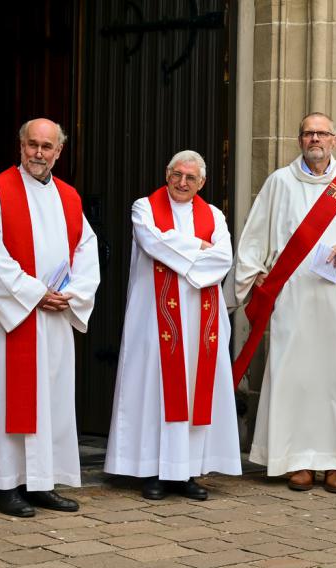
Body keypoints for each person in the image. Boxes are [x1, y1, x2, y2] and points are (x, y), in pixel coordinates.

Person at [232, 113, 336, 494]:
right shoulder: (279, 182)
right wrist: (255, 272)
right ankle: (297, 461)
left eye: (322, 133)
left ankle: (335, 463)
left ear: (334, 139)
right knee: (297, 379)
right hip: (294, 296)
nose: (315, 139)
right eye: (308, 133)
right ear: (299, 140)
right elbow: (254, 232)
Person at [0, 118, 100, 518]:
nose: (39, 153)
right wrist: (34, 293)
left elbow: (86, 252)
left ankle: (41, 481)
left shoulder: (70, 198)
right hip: (11, 318)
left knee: (50, 401)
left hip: (54, 318)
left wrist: (73, 294)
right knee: (7, 397)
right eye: (32, 145)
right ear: (20, 146)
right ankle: (5, 483)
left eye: (47, 146)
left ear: (59, 152)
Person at [104, 151, 241, 501]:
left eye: (190, 178)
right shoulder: (144, 208)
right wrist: (198, 247)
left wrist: (183, 255)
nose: (182, 183)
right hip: (155, 318)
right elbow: (152, 242)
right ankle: (153, 470)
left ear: (202, 182)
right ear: (167, 174)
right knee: (154, 390)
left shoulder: (214, 215)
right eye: (177, 174)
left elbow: (223, 257)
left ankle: (186, 472)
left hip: (199, 321)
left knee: (195, 391)